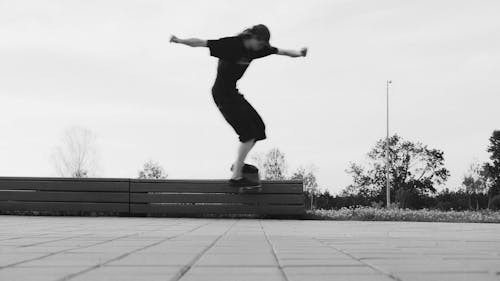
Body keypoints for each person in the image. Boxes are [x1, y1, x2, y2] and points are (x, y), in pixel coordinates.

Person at [170, 24, 307, 187]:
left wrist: (299, 53)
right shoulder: (230, 44)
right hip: (221, 94)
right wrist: (179, 40)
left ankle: (239, 166)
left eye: (263, 45)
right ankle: (236, 177)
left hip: (233, 93)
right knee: (248, 134)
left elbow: (281, 52)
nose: (260, 48)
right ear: (251, 36)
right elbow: (201, 42)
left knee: (258, 128)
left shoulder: (257, 50)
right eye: (260, 43)